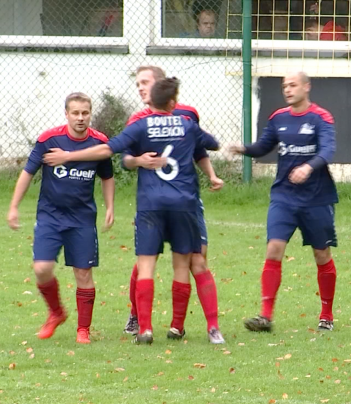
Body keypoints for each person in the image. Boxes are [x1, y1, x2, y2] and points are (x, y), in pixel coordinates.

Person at [43, 78, 221, 345]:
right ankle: (193, 328)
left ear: (151, 101)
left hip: (150, 205)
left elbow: (110, 151)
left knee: (146, 266)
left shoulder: (140, 125)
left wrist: (68, 156)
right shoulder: (187, 124)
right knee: (184, 264)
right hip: (184, 204)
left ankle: (146, 330)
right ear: (174, 102)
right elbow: (213, 144)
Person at [121, 65, 224, 344]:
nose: (141, 88)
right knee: (144, 261)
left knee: (196, 260)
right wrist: (139, 160)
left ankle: (189, 326)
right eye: (138, 83)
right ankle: (138, 317)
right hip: (155, 202)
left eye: (146, 82)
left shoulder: (187, 114)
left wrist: (212, 175)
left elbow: (200, 149)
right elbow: (127, 158)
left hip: (184, 201)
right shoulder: (138, 120)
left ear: (160, 86)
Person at [230, 71, 338, 332]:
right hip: (284, 196)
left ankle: (326, 314)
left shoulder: (321, 118)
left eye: (292, 85)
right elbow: (263, 146)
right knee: (274, 249)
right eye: (284, 86)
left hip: (317, 198)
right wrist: (243, 148)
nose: (287, 90)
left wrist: (308, 167)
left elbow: (327, 150)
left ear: (306, 87)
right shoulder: (278, 118)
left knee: (321, 254)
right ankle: (265, 316)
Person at [7, 92, 115, 345]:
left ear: (90, 114)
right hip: (50, 217)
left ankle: (83, 330)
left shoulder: (100, 143)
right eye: (75, 113)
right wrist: (14, 206)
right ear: (66, 114)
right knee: (42, 268)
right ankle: (56, 312)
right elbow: (27, 173)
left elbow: (107, 177)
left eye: (85, 113)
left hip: (82, 219)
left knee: (83, 272)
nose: (80, 118)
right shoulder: (49, 140)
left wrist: (110, 206)